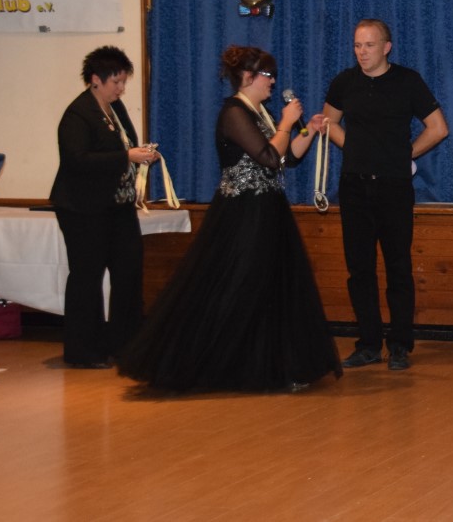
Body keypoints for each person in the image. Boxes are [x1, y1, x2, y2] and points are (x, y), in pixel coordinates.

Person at [117, 46, 341, 392]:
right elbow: (268, 157)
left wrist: (307, 131)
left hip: (268, 210)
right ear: (248, 77)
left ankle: (276, 366)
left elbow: (288, 158)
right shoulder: (234, 113)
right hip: (243, 213)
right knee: (237, 283)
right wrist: (285, 123)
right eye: (268, 75)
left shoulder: (260, 112)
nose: (273, 82)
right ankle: (210, 363)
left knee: (271, 286)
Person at [323, 19, 449, 371]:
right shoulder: (344, 82)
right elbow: (328, 121)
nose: (362, 52)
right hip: (354, 185)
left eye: (369, 45)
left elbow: (439, 128)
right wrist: (355, 149)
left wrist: (403, 155)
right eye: (357, 45)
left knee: (398, 266)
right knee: (359, 268)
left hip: (393, 185)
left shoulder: (407, 81)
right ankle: (368, 344)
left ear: (386, 47)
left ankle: (399, 345)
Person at [50, 46, 156, 369]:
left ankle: (125, 344)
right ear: (96, 79)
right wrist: (127, 156)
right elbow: (77, 160)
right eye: (116, 82)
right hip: (83, 208)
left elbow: (124, 146)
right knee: (87, 275)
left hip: (118, 205)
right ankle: (83, 350)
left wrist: (140, 154)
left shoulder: (116, 109)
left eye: (124, 82)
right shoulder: (77, 114)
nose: (121, 88)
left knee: (128, 270)